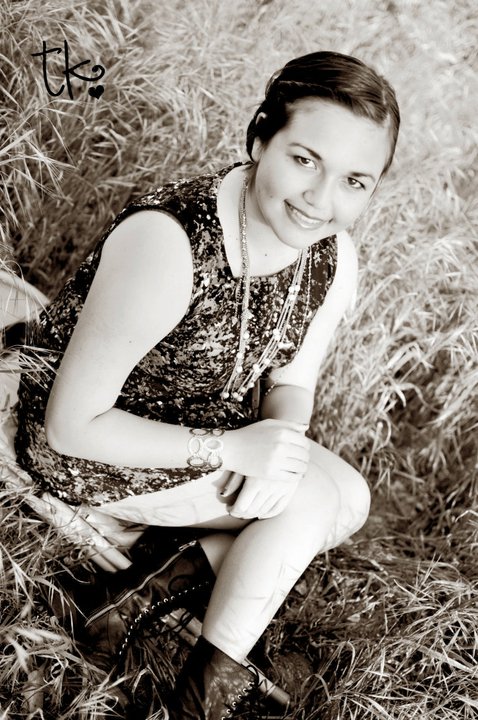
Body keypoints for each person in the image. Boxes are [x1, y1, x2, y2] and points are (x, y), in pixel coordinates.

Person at [14, 51, 400, 718]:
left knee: (344, 498)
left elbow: (293, 380)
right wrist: (233, 452)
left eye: (354, 180)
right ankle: (199, 702)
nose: (321, 198)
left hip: (210, 437)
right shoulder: (170, 242)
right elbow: (70, 426)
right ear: (259, 139)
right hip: (92, 450)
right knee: (317, 502)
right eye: (304, 159)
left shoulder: (331, 253)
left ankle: (144, 596)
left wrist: (279, 445)